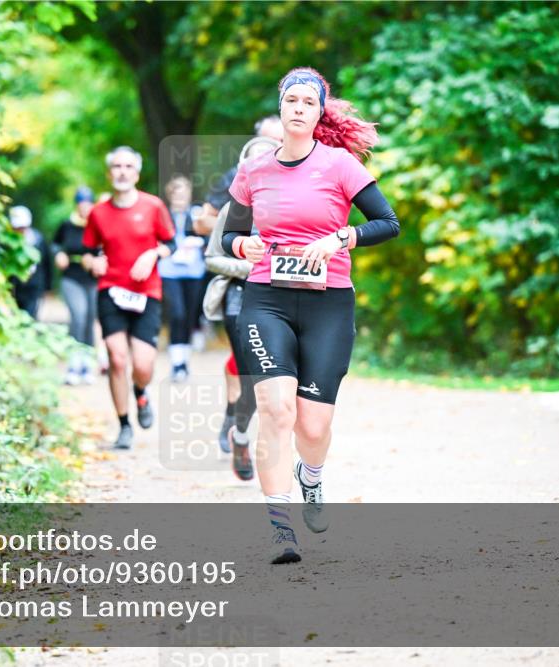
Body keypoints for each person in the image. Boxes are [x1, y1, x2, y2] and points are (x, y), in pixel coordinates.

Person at [221, 67, 400, 564]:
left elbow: (388, 223)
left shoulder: (340, 165)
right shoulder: (255, 169)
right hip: (267, 299)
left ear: (320, 112)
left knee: (312, 428)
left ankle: (312, 478)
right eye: (290, 100)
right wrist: (244, 243)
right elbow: (226, 236)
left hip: (328, 303)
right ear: (280, 108)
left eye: (307, 102)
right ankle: (280, 528)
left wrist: (342, 237)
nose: (297, 108)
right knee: (276, 410)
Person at [83, 146, 177, 449]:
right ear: (110, 173)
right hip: (110, 290)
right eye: (117, 166)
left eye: (128, 167)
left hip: (145, 292)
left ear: (136, 173)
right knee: (117, 358)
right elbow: (87, 252)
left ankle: (140, 392)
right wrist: (92, 263)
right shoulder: (99, 213)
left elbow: (171, 244)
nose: (122, 171)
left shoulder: (153, 207)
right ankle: (124, 426)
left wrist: (152, 254)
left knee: (143, 364)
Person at [204, 135, 281, 482]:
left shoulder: (293, 206)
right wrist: (248, 269)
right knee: (253, 379)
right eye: (254, 163)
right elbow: (211, 259)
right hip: (241, 301)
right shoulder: (232, 210)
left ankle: (276, 448)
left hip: (284, 303)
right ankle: (242, 437)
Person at [159, 175, 208, 383]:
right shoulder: (163, 215)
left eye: (184, 194)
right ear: (171, 195)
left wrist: (196, 241)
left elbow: (209, 236)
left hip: (194, 272)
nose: (180, 198)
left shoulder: (196, 214)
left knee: (188, 317)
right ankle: (175, 362)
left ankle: (183, 363)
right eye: (176, 194)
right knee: (177, 314)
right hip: (169, 272)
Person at [53, 186, 99, 385]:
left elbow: (108, 247)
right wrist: (58, 254)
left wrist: (96, 260)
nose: (85, 208)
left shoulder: (98, 225)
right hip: (71, 276)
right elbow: (55, 243)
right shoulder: (67, 224)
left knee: (89, 319)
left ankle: (87, 364)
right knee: (78, 316)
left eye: (88, 204)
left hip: (92, 278)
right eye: (81, 204)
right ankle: (73, 364)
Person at [8, 205, 52, 319]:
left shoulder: (38, 240)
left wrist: (47, 287)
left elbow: (47, 264)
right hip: (15, 288)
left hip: (34, 287)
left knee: (30, 318)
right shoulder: (8, 242)